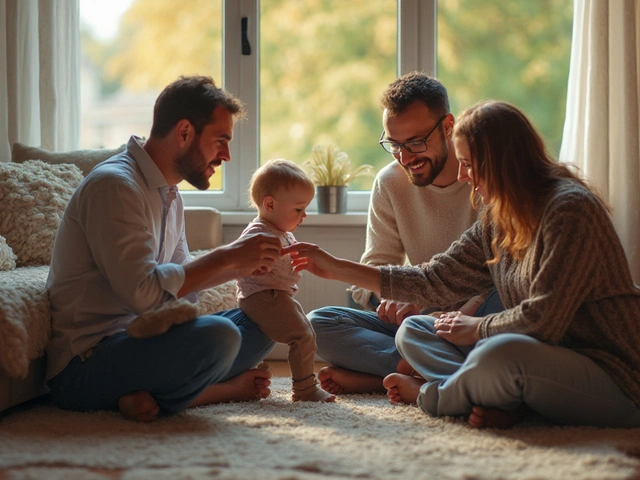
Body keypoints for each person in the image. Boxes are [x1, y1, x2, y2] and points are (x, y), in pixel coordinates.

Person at [283, 100, 640, 429]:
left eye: (468, 164)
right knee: (417, 330)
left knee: (500, 353)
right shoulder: (499, 217)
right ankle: (497, 396)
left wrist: (476, 327)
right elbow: (433, 278)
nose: (463, 175)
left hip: (614, 375)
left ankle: (431, 395)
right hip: (539, 358)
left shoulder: (569, 209)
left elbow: (543, 321)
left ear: (502, 161)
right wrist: (335, 268)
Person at [45, 75, 284, 422]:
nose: (227, 155)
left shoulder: (168, 192)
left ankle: (146, 394)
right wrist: (227, 256)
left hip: (145, 340)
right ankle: (211, 392)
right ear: (184, 132)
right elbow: (143, 294)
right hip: (87, 361)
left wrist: (243, 266)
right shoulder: (115, 186)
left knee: (266, 321)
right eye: (220, 140)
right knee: (221, 337)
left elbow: (179, 283)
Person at [308, 72, 501, 396]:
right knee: (318, 324)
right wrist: (389, 297)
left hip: (474, 317)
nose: (405, 157)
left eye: (415, 143)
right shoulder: (390, 183)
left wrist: (454, 315)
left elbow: (505, 274)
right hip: (417, 315)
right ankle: (422, 366)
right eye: (394, 145)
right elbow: (374, 267)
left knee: (505, 306)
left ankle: (398, 373)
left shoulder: (483, 179)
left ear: (448, 126)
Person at [236, 159, 335, 403]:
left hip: (278, 293)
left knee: (307, 331)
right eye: (299, 209)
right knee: (301, 336)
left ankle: (302, 383)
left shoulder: (281, 232)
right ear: (269, 204)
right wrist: (257, 264)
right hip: (262, 296)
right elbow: (240, 259)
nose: (304, 216)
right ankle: (304, 389)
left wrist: (306, 263)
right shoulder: (258, 233)